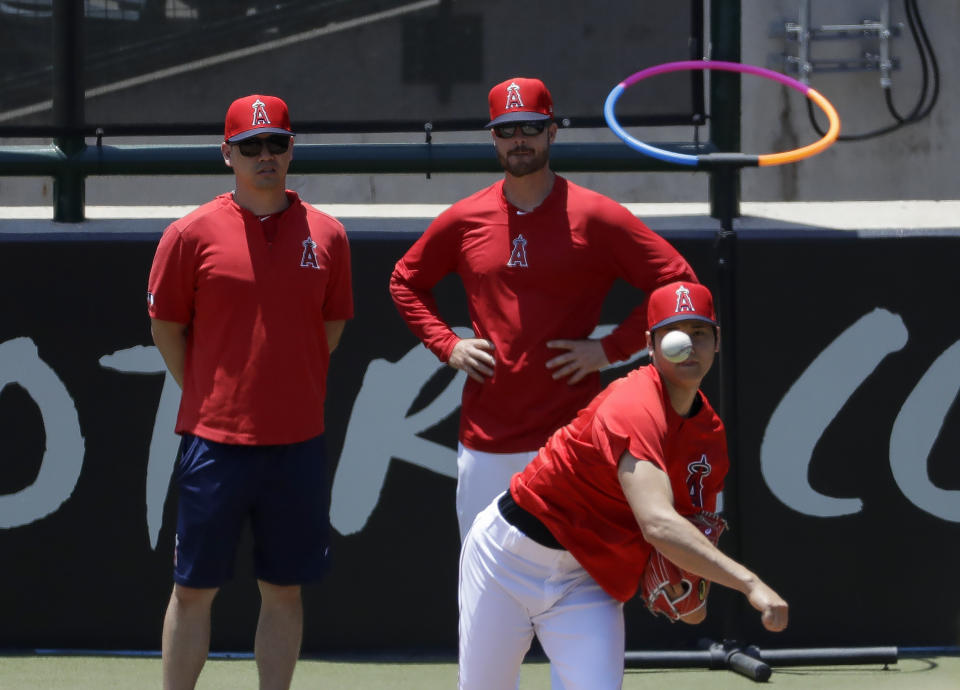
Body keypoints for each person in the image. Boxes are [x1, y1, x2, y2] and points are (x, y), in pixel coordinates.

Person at [390, 77, 699, 541]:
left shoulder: (595, 215)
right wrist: (447, 345)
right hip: (487, 441)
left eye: (530, 128)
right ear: (492, 137)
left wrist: (610, 349)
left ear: (551, 132)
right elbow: (405, 282)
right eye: (507, 129)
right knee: (484, 582)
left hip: (574, 436)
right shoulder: (464, 218)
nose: (519, 140)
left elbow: (679, 282)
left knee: (576, 580)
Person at [458, 281, 789, 690]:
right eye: (675, 333)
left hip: (586, 577)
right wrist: (749, 583)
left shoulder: (708, 435)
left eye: (700, 332)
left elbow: (688, 530)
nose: (689, 343)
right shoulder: (632, 402)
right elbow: (658, 524)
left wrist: (689, 586)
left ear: (717, 342)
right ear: (651, 345)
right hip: (506, 558)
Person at [147, 94, 353, 690]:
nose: (265, 156)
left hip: (297, 442)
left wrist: (285, 381)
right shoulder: (189, 234)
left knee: (283, 588)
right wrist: (213, 392)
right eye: (251, 146)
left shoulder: (329, 235)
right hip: (215, 443)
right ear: (227, 154)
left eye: (277, 143)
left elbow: (330, 327)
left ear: (291, 149)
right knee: (193, 589)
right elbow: (166, 327)